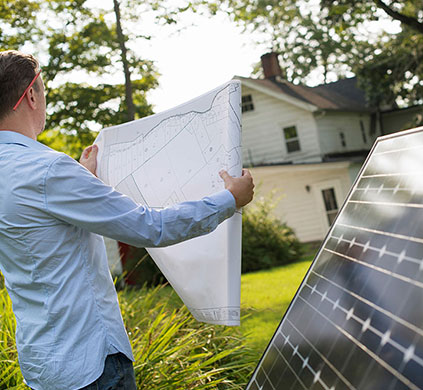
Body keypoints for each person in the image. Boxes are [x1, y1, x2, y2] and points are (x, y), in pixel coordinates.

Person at [0, 50, 254, 390]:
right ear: (30, 94)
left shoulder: (25, 172)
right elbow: (150, 227)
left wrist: (81, 179)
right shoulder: (49, 171)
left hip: (44, 366)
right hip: (91, 366)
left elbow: (40, 226)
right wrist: (229, 199)